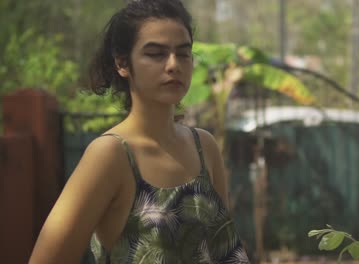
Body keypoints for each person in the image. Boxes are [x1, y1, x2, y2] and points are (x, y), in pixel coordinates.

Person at [29, 0, 250, 263]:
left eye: (183, 53)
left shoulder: (205, 147)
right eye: (156, 53)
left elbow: (224, 250)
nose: (173, 65)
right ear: (123, 63)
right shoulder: (110, 154)